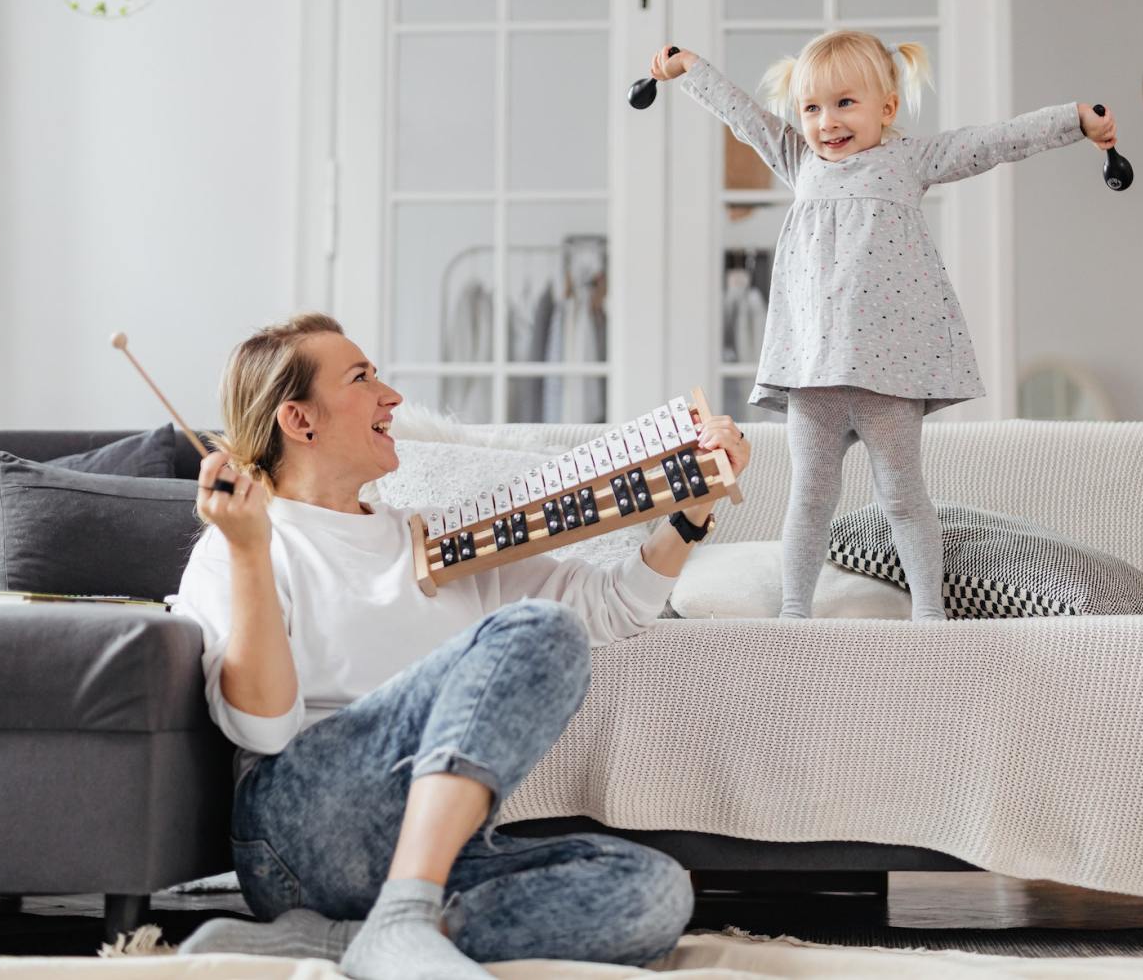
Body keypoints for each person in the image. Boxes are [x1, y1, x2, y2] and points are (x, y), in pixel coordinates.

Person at [171, 313, 752, 979]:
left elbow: (616, 603)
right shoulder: (243, 543)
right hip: (300, 832)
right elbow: (263, 728)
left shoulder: (439, 541)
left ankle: (356, 936)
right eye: (362, 378)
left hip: (434, 851)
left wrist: (692, 507)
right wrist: (248, 549)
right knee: (542, 628)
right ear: (300, 421)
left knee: (656, 892)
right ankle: (406, 914)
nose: (391, 397)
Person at [650, 32, 1117, 620]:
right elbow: (741, 114)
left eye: (846, 103)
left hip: (887, 377)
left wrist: (1072, 121)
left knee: (902, 497)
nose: (827, 122)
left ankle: (929, 615)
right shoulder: (800, 162)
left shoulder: (907, 161)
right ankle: (794, 615)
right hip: (814, 376)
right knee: (809, 500)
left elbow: (990, 143)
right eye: (812, 108)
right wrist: (689, 69)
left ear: (887, 108)